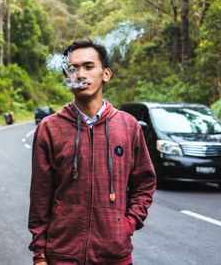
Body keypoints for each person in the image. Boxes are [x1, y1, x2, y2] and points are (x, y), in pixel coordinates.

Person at [28, 39, 156, 265]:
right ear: (67, 78)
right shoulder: (49, 128)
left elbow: (145, 182)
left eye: (88, 67)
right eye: (72, 68)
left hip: (114, 256)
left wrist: (126, 225)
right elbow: (40, 196)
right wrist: (39, 254)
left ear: (106, 74)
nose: (80, 74)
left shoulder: (129, 126)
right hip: (62, 255)